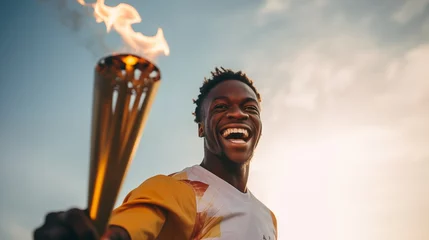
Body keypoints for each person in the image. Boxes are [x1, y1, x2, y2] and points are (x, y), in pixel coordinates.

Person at [34, 67, 278, 240]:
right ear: (201, 127)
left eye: (250, 108)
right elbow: (124, 230)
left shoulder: (268, 217)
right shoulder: (176, 190)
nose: (238, 114)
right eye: (221, 107)